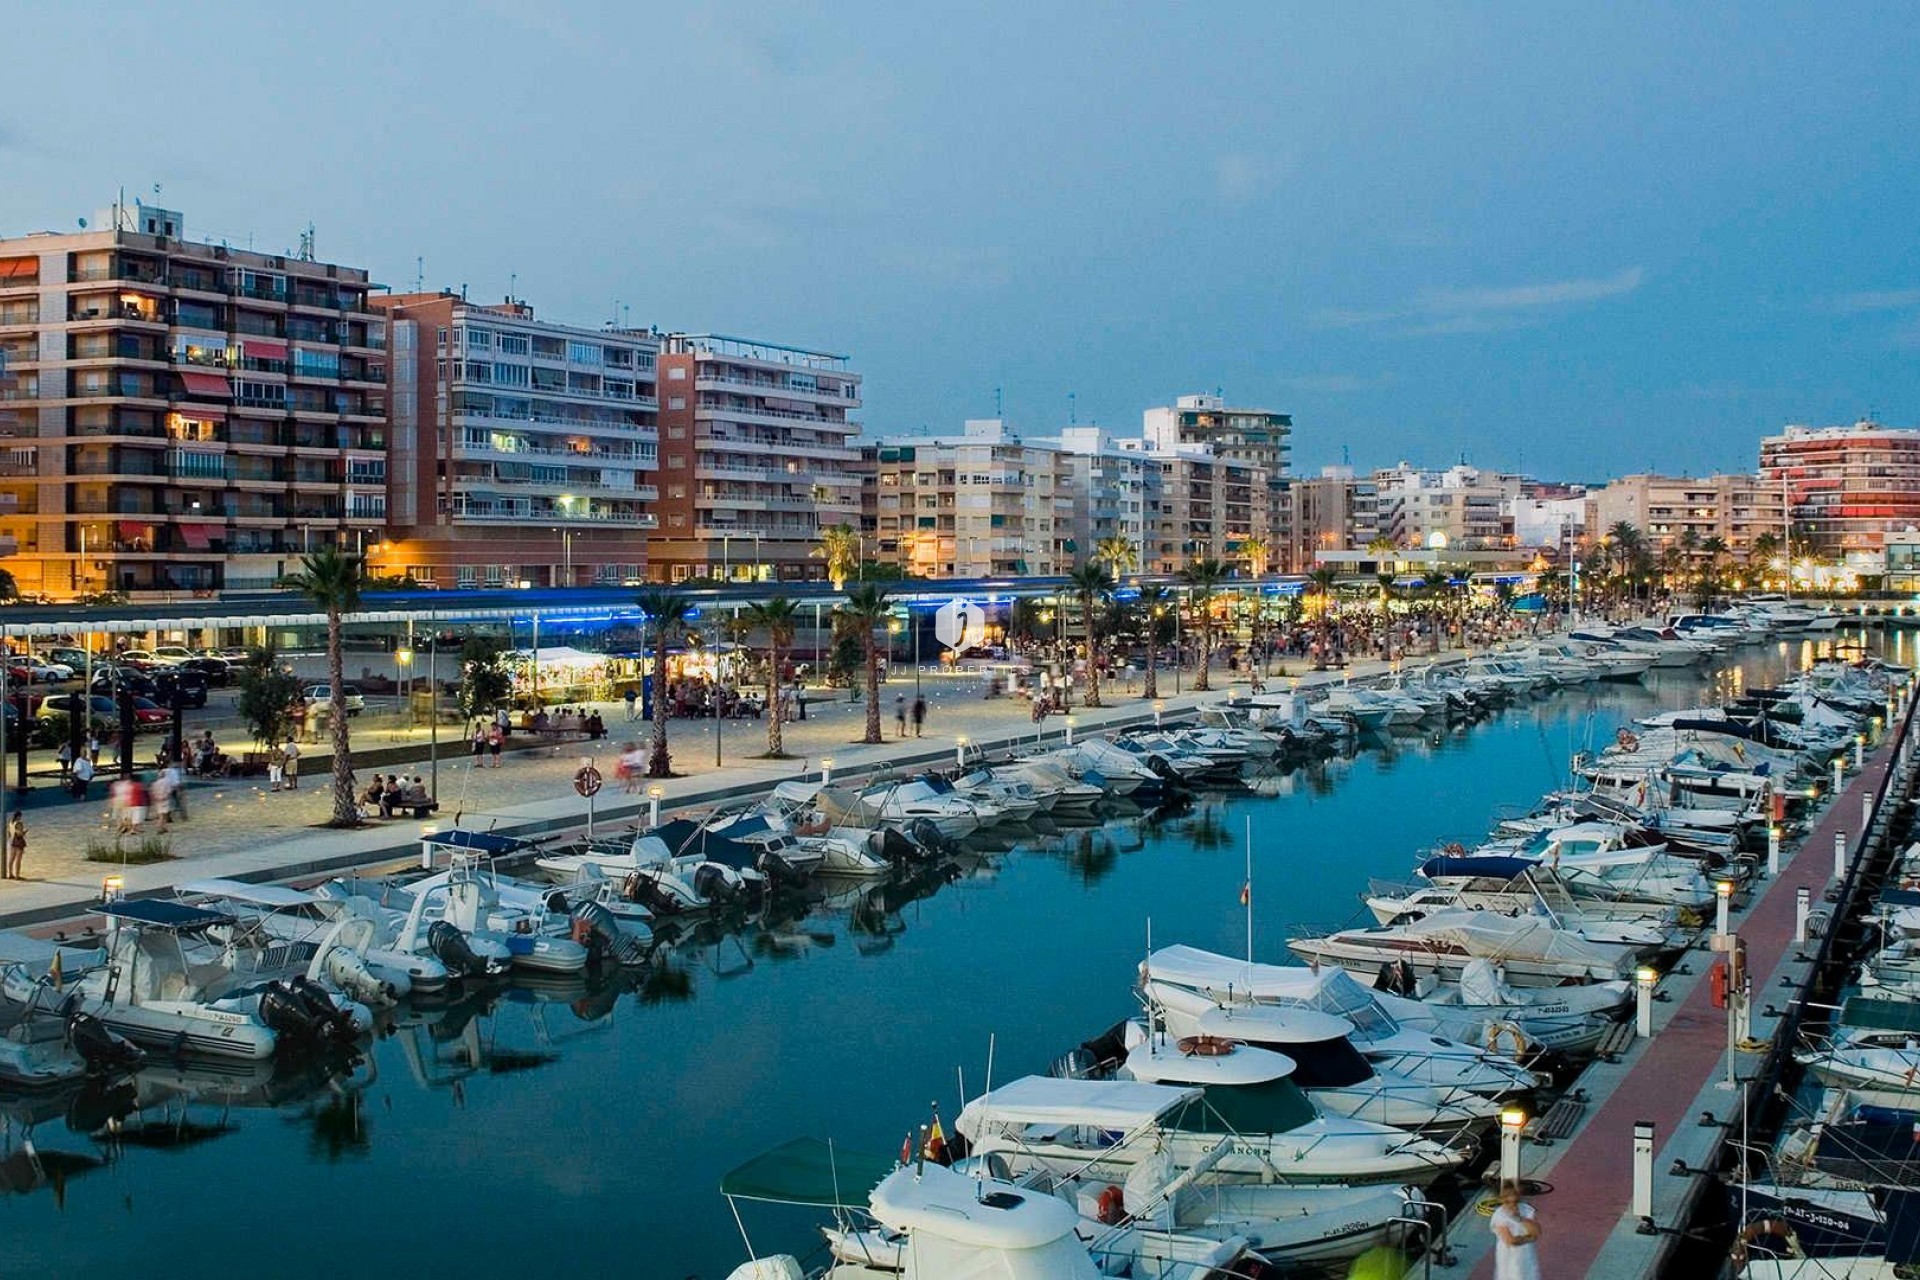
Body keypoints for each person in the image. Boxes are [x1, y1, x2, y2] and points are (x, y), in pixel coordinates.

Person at [1490, 1180, 1542, 1280]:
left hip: (1526, 1254)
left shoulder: (1526, 1210)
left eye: (1515, 1202)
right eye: (1508, 1202)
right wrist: (1530, 1238)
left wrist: (1520, 1218)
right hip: (1509, 1257)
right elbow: (1511, 1241)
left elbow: (1537, 1231)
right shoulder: (1499, 1216)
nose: (1512, 1205)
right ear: (1502, 1199)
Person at [5, 812, 22, 880]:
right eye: (20, 816)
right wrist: (25, 832)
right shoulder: (18, 823)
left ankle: (10, 874)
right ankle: (17, 876)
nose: (20, 818)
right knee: (18, 859)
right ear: (18, 816)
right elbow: (19, 834)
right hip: (18, 843)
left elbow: (9, 833)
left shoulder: (10, 823)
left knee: (11, 859)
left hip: (11, 842)